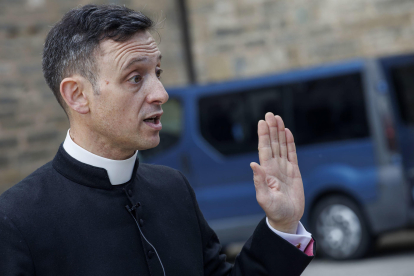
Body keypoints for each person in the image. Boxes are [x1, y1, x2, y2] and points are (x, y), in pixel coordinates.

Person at [0, 4, 314, 276]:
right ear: (78, 95)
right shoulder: (15, 220)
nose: (161, 94)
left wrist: (283, 224)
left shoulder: (173, 189)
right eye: (135, 77)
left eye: (157, 73)